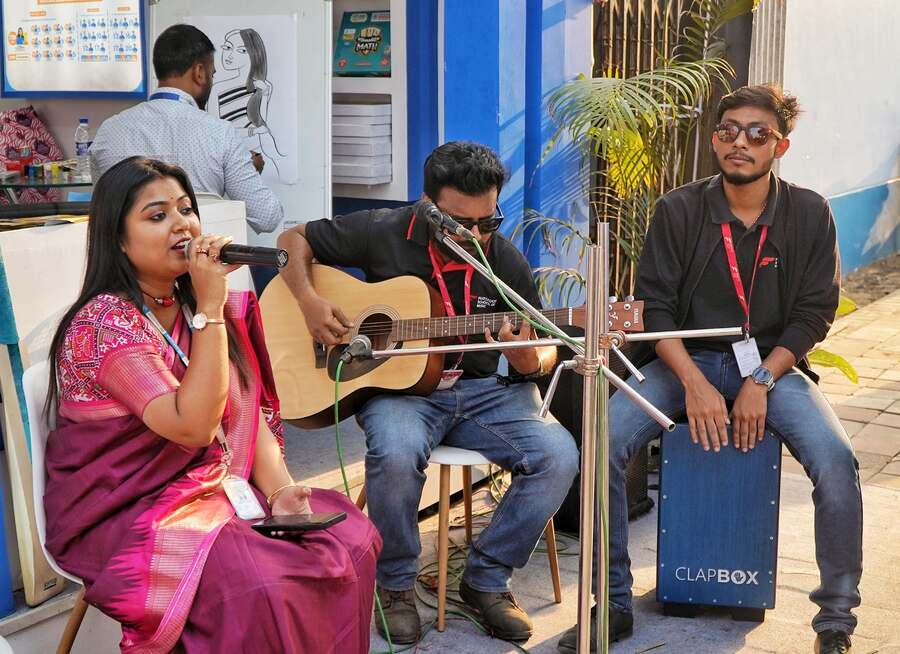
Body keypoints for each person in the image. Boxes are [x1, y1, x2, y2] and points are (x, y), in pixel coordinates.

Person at [557, 85, 862, 654]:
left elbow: (814, 312)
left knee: (837, 459)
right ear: (714, 139)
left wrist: (762, 381)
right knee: (604, 440)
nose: (739, 143)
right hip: (683, 362)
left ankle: (836, 619)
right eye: (727, 131)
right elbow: (657, 309)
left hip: (770, 365)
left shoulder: (809, 212)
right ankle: (613, 603)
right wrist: (695, 385)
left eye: (757, 133)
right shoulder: (680, 209)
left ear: (781, 146)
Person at [43, 157, 380, 653]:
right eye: (157, 216)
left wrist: (283, 491)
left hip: (212, 488)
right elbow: (195, 428)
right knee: (263, 582)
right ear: (117, 238)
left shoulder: (194, 304)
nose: (181, 224)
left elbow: (241, 414)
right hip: (126, 512)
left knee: (350, 538)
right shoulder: (105, 324)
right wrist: (209, 308)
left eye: (186, 209)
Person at [276, 141, 580, 645]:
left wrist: (528, 356)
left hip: (484, 391)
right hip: (401, 390)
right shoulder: (383, 231)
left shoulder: (503, 260)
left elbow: (544, 350)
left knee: (558, 454)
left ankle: (484, 580)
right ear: (427, 204)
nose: (477, 235)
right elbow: (291, 240)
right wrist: (309, 302)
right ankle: (394, 585)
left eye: (488, 221)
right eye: (463, 224)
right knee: (394, 452)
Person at [90, 24, 282, 234]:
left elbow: (104, 214)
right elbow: (267, 218)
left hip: (132, 264)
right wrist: (244, 170)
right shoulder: (220, 133)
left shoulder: (109, 131)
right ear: (199, 72)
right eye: (212, 74)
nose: (211, 80)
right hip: (200, 259)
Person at [207, 28, 285, 178]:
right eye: (227, 47)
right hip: (228, 162)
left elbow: (266, 127)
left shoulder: (264, 88)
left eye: (241, 50)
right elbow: (215, 133)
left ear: (254, 54)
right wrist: (253, 132)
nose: (229, 54)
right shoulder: (217, 89)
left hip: (260, 160)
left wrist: (265, 95)